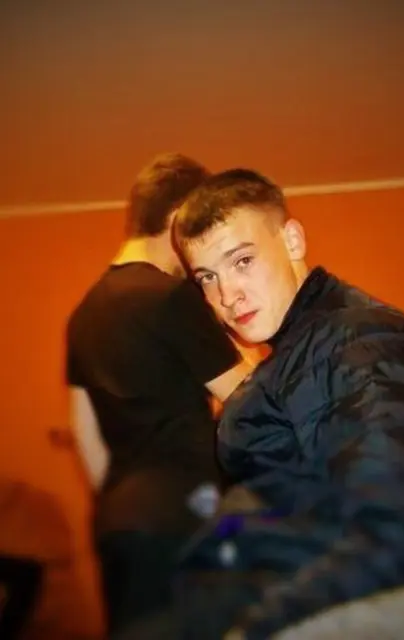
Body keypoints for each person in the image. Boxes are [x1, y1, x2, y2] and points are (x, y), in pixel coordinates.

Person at [170, 168, 404, 639]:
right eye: (208, 277)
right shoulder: (298, 349)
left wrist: (252, 630)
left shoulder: (358, 338)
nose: (226, 296)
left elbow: (394, 537)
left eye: (242, 261)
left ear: (293, 240)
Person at [65, 154, 251, 636]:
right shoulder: (172, 297)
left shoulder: (83, 315)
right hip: (186, 513)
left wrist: (126, 502)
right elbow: (247, 399)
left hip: (120, 523)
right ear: (176, 221)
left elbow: (86, 436)